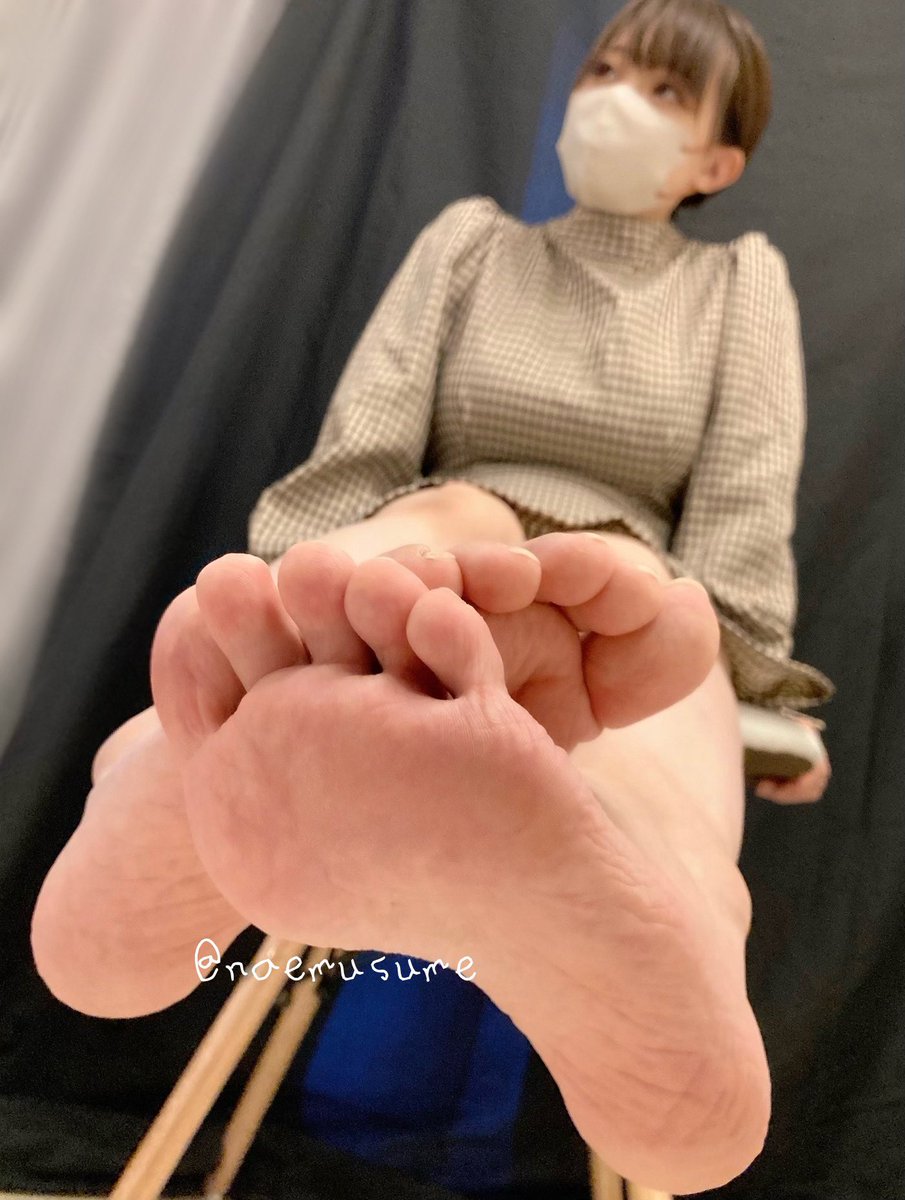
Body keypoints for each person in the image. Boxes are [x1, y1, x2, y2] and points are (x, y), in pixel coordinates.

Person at [31, 0, 836, 1192]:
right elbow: (369, 435)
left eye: (664, 90)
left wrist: (757, 691)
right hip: (454, 528)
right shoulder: (472, 245)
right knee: (413, 553)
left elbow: (741, 502)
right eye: (605, 68)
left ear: (716, 162)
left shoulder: (736, 287)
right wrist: (302, 571)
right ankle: (206, 749)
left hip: (621, 582)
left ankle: (643, 881)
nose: (614, 98)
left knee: (653, 651)